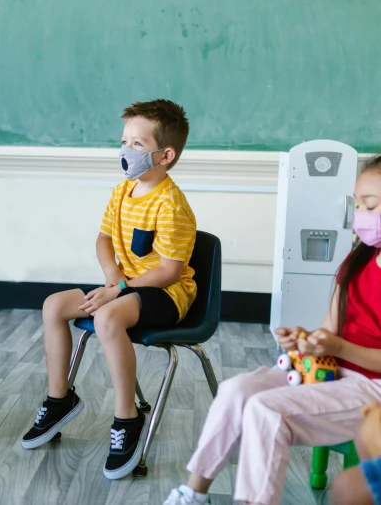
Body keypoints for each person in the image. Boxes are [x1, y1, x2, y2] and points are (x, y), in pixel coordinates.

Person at [165, 155, 381, 505]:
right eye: (358, 205)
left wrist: (337, 347)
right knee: (236, 391)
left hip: (373, 390)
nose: (361, 216)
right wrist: (306, 340)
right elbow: (330, 330)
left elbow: (344, 346)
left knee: (267, 410)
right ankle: (193, 492)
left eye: (370, 206)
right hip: (332, 372)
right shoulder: (357, 261)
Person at [21, 99, 197, 480]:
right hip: (123, 286)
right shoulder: (122, 192)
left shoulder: (171, 204)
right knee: (54, 305)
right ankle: (59, 399)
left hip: (166, 294)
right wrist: (113, 278)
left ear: (165, 155)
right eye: (124, 141)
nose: (125, 150)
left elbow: (169, 272)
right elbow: (103, 239)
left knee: (107, 314)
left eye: (137, 144)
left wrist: (118, 290)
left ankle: (126, 418)